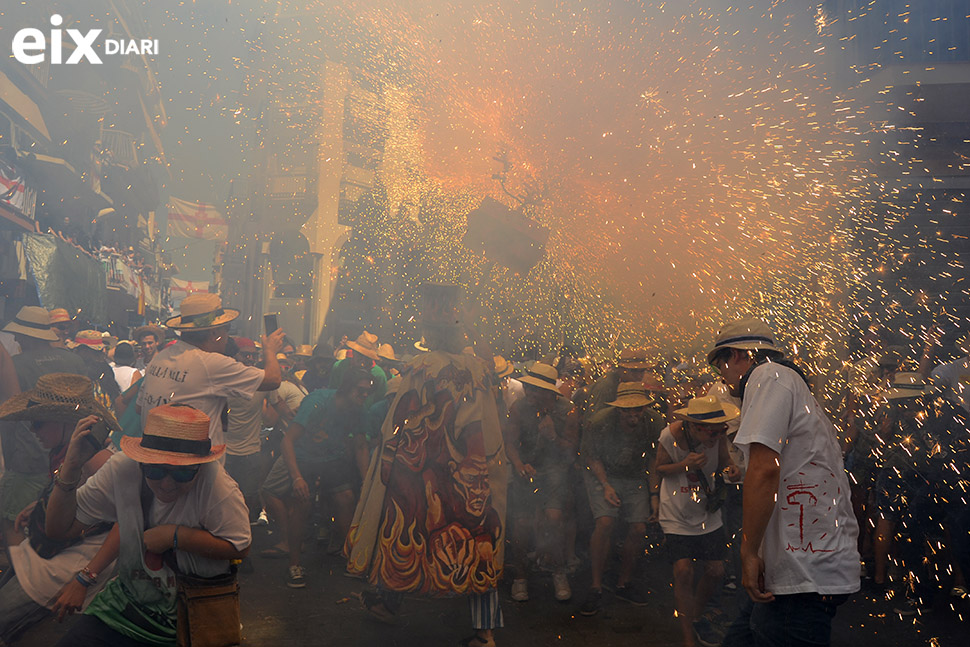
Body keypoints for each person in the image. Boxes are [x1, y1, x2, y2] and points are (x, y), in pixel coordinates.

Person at [346, 284, 507, 647]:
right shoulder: (481, 369)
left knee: (404, 534)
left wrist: (387, 463)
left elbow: (400, 422)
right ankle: (485, 632)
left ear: (432, 332)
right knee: (481, 543)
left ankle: (386, 602)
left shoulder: (423, 367)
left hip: (425, 472)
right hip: (474, 474)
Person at [45, 403, 251, 647]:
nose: (166, 484)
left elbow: (239, 546)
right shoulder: (123, 469)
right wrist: (71, 466)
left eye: (183, 473)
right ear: (142, 461)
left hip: (193, 616)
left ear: (200, 466)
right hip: (125, 606)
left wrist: (176, 536)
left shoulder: (217, 487)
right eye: (155, 470)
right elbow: (59, 529)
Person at [709, 319, 860, 647]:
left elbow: (764, 469)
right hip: (792, 570)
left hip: (802, 575)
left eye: (720, 362)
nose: (720, 374)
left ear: (737, 356)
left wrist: (747, 552)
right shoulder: (785, 381)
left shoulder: (769, 376)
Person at [0, 373, 119, 644]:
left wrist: (86, 577)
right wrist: (42, 504)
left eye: (39, 422)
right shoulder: (67, 451)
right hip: (56, 553)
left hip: (71, 563)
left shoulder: (97, 460)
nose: (33, 429)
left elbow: (130, 520)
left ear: (68, 423)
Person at [259, 366, 371, 587]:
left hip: (333, 457)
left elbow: (360, 445)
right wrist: (297, 477)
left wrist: (367, 480)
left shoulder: (359, 410)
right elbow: (287, 441)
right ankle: (295, 565)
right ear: (347, 389)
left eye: (368, 391)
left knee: (346, 498)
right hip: (305, 456)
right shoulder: (317, 402)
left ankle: (352, 559)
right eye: (361, 391)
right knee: (302, 503)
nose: (365, 395)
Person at [137, 293, 284, 447]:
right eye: (227, 329)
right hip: (195, 464)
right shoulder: (211, 363)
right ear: (215, 333)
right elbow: (273, 379)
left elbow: (139, 407)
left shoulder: (160, 358)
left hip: (154, 459)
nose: (228, 336)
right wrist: (270, 350)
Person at [655, 395, 741, 647]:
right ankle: (687, 638)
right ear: (693, 427)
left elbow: (725, 462)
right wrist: (684, 465)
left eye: (720, 431)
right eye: (711, 433)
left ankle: (694, 615)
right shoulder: (669, 436)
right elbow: (658, 469)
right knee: (683, 570)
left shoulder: (716, 438)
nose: (716, 437)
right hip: (676, 513)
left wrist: (730, 470)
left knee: (716, 571)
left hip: (706, 511)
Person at [578, 382, 665, 616]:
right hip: (601, 473)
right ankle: (596, 586)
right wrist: (606, 485)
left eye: (638, 409)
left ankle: (622, 584)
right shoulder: (599, 422)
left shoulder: (654, 423)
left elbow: (652, 459)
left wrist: (654, 495)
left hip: (635, 475)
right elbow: (590, 456)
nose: (633, 414)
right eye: (628, 410)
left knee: (638, 528)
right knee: (605, 522)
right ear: (618, 410)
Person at [1, 307, 86, 541]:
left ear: (26, 336)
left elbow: (9, 416)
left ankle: (24, 576)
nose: (16, 339)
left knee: (14, 526)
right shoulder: (75, 360)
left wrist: (9, 458)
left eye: (19, 334)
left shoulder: (14, 365)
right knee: (56, 529)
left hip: (27, 460)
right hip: (70, 459)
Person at [504, 362, 579, 603]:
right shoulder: (518, 408)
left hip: (554, 471)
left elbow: (572, 450)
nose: (529, 392)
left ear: (548, 392)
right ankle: (520, 577)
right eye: (528, 387)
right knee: (521, 525)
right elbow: (511, 444)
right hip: (525, 471)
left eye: (535, 389)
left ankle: (558, 571)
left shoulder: (568, 410)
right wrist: (518, 465)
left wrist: (553, 437)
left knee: (554, 520)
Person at [224, 337, 269, 523]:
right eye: (246, 355)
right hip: (225, 451)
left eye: (254, 355)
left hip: (251, 451)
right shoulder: (224, 379)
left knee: (248, 497)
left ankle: (243, 536)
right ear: (235, 356)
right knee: (224, 498)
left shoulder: (261, 380)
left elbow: (277, 409)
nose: (250, 358)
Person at [585, 347, 657, 421]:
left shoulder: (631, 384)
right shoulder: (605, 386)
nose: (639, 376)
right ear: (621, 369)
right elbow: (595, 421)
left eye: (642, 370)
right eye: (634, 371)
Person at [329, 331, 387, 408]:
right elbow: (331, 393)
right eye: (360, 355)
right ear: (353, 351)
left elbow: (380, 403)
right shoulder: (339, 366)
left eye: (367, 357)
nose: (363, 360)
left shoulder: (379, 375)